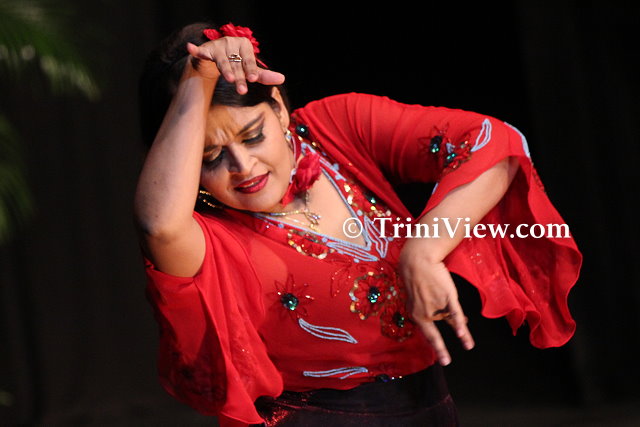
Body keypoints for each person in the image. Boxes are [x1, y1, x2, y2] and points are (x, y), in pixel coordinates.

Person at [135, 22, 582, 427]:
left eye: (252, 136)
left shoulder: (334, 129)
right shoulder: (209, 238)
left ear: (279, 107)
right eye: (210, 157)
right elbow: (159, 226)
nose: (242, 166)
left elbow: (494, 140)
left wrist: (424, 248)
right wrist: (198, 77)